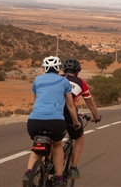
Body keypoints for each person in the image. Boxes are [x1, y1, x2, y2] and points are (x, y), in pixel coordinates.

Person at [22, 56, 81, 187]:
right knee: (57, 145)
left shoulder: (37, 80)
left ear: (44, 68)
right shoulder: (64, 81)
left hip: (34, 121)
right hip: (55, 121)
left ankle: (28, 172)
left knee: (36, 147)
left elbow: (35, 100)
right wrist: (76, 122)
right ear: (59, 68)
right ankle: (59, 178)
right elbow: (70, 106)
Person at [61, 58, 101, 180]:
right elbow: (90, 103)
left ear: (63, 69)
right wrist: (96, 117)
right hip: (68, 112)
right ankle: (73, 168)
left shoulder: (56, 78)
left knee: (55, 137)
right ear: (78, 71)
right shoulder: (81, 83)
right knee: (79, 137)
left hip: (51, 111)